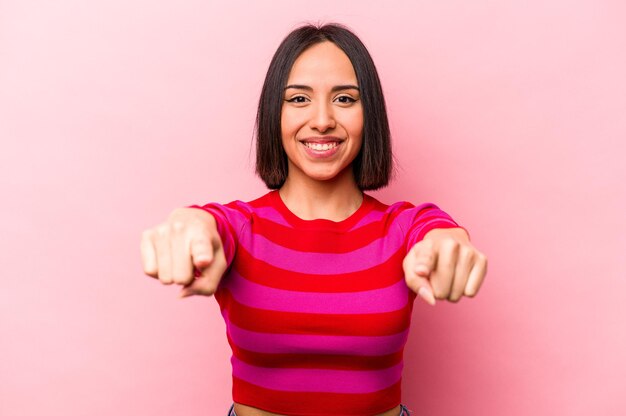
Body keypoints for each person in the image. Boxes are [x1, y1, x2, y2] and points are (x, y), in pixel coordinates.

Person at [140, 22, 487, 416]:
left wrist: (448, 246)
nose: (322, 120)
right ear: (275, 113)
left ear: (368, 114)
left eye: (344, 99)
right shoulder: (239, 226)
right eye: (299, 99)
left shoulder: (404, 227)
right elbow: (204, 224)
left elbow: (439, 234)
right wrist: (188, 228)